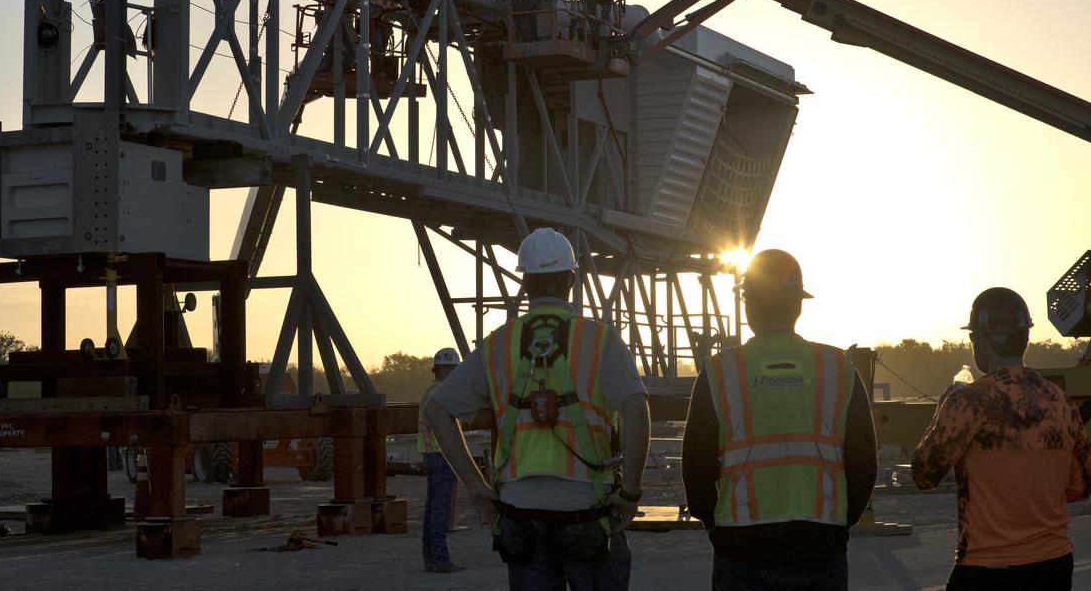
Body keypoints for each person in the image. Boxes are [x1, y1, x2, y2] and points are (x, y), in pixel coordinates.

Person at [424, 227, 650, 591]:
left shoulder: (499, 342)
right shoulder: (599, 339)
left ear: (525, 283)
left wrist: (476, 486)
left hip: (520, 514)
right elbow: (637, 411)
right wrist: (631, 494)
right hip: (586, 507)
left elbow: (437, 410)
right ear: (572, 280)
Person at [682, 249, 877, 591]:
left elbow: (696, 468)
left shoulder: (719, 372)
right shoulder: (839, 369)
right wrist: (839, 526)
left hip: (741, 546)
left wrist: (716, 525)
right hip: (821, 543)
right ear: (798, 305)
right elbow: (864, 463)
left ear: (748, 305)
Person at [911, 287, 1091, 590]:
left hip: (989, 569)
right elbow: (1080, 485)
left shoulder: (969, 402)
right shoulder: (1061, 402)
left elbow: (924, 474)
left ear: (979, 340)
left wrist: (945, 406)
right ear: (1025, 338)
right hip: (1055, 564)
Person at [418, 346, 466, 573]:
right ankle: (440, 559)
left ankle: (430, 558)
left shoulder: (430, 390)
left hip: (431, 454)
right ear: (446, 369)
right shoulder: (440, 394)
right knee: (440, 508)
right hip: (441, 454)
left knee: (432, 508)